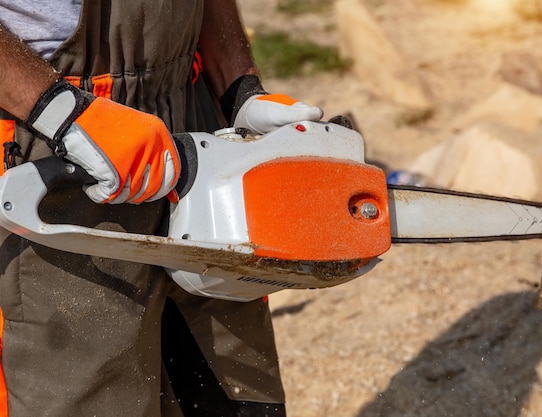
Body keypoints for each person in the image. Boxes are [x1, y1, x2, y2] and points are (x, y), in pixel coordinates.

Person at [0, 1, 323, 416]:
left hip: (191, 118)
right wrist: (59, 110)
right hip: (45, 135)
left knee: (235, 391)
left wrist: (237, 85)